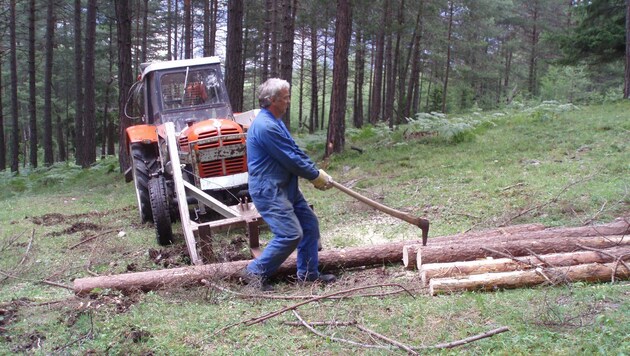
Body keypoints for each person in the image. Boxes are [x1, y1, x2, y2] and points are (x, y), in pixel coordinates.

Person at [241, 78, 336, 290]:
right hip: (269, 189)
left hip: (286, 187)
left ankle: (308, 275)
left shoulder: (275, 121)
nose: (288, 102)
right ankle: (254, 273)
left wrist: (316, 171)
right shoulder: (266, 126)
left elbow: (294, 150)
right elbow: (290, 158)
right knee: (290, 234)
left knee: (309, 225)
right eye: (285, 98)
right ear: (272, 100)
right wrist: (313, 175)